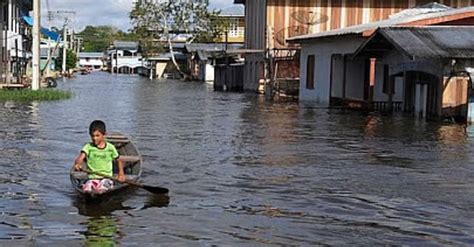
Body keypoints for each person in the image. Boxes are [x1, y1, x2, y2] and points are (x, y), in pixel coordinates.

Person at [74, 120, 126, 193]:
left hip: (106, 177)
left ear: (104, 134)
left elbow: (119, 160)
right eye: (92, 136)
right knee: (87, 188)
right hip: (92, 178)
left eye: (97, 135)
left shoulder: (110, 148)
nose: (95, 138)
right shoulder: (88, 147)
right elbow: (80, 158)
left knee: (102, 188)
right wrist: (78, 164)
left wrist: (121, 174)